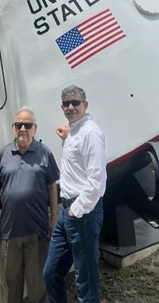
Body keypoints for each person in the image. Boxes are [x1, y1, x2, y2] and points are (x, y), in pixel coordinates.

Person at [0, 108, 60, 303]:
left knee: (37, 284)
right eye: (19, 125)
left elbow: (52, 187)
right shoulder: (2, 155)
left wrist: (54, 219)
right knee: (11, 284)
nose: (23, 129)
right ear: (13, 128)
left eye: (27, 125)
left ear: (35, 129)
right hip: (9, 232)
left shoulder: (45, 153)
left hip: (37, 232)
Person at [43, 85, 107, 303]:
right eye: (66, 103)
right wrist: (67, 138)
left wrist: (76, 210)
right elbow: (77, 164)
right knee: (51, 273)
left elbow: (97, 180)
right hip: (66, 212)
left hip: (82, 212)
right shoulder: (76, 131)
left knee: (85, 281)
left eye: (76, 102)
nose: (71, 107)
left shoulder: (91, 133)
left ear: (85, 105)